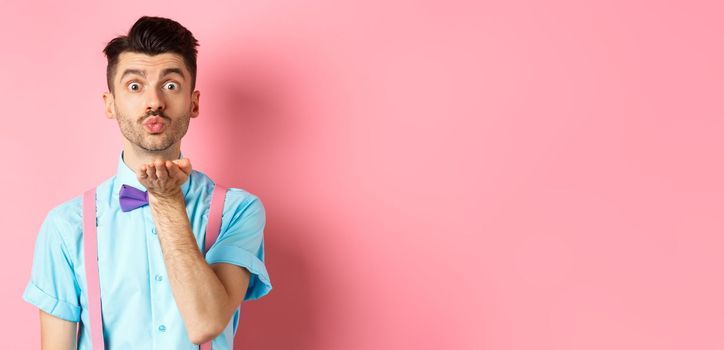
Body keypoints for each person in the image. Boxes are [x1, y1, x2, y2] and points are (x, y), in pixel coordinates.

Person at [22, 16, 272, 349]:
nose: (154, 101)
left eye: (170, 85)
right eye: (135, 86)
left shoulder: (237, 211)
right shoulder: (66, 226)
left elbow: (206, 323)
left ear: (193, 102)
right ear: (110, 104)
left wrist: (167, 200)